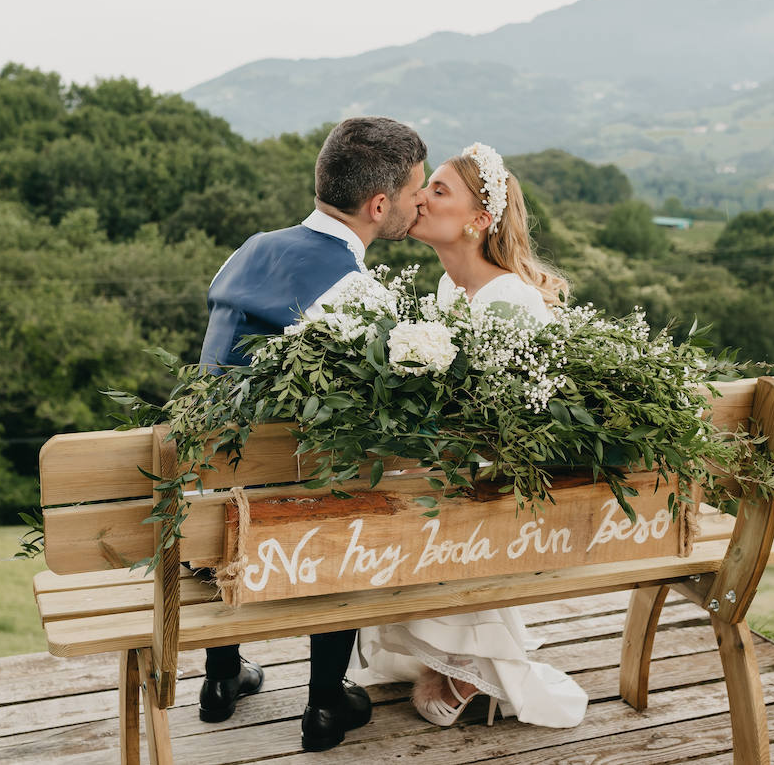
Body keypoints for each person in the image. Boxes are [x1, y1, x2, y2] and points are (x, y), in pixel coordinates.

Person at [196, 116, 428, 752]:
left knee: (230, 488)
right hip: (298, 511)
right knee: (351, 486)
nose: (419, 201)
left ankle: (221, 678)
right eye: (415, 191)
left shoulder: (246, 249)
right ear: (380, 206)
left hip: (212, 502)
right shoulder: (359, 293)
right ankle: (325, 701)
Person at [350, 142, 589, 730]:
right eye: (423, 187)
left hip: (501, 485)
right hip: (455, 467)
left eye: (439, 190)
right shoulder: (448, 290)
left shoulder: (507, 298)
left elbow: (509, 426)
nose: (421, 198)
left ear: (480, 221)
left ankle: (467, 662)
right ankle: (442, 650)